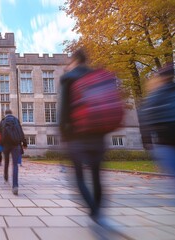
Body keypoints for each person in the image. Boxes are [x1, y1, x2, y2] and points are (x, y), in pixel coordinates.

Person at [59, 48, 105, 222]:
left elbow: (63, 110)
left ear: (75, 60)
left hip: (77, 135)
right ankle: (98, 211)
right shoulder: (96, 76)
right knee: (96, 176)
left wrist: (63, 133)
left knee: (78, 177)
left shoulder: (69, 77)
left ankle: (95, 212)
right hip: (98, 133)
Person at [140, 64, 175, 193]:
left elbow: (146, 116)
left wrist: (147, 141)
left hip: (169, 140)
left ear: (160, 78)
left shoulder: (157, 93)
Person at [0, 109, 25, 195]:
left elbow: (1, 133)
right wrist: (24, 142)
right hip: (15, 144)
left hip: (6, 145)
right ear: (11, 113)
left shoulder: (3, 121)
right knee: (15, 165)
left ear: (5, 114)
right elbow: (21, 131)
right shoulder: (16, 120)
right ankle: (15, 185)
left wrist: (2, 144)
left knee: (6, 161)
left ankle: (6, 177)